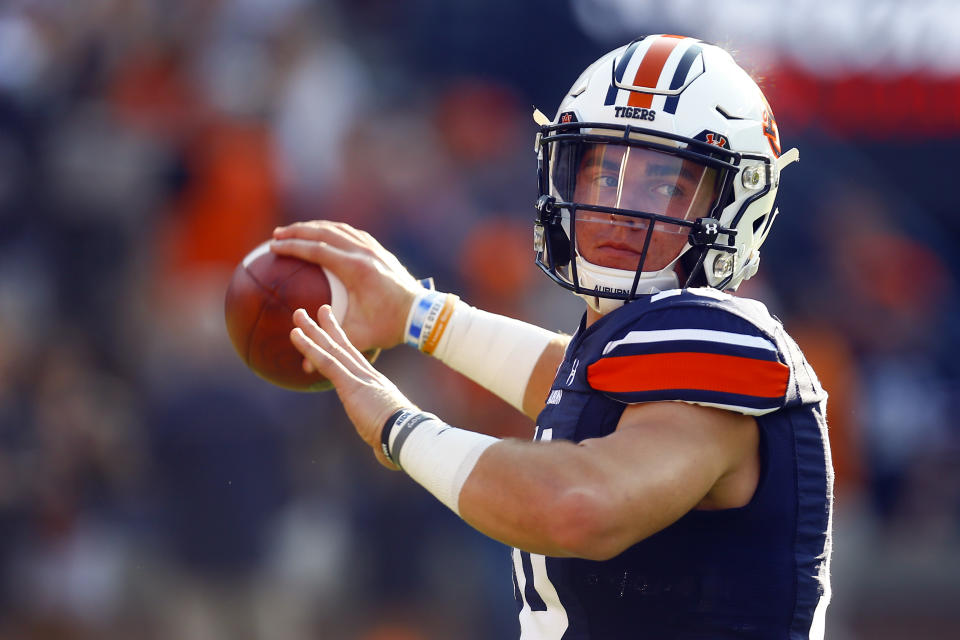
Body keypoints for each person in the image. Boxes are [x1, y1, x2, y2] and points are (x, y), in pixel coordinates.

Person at [270, 34, 832, 640]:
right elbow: (576, 389)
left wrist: (399, 427)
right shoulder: (632, 350)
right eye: (602, 173)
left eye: (665, 185)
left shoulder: (721, 336)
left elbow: (578, 505)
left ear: (738, 204)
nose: (619, 208)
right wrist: (418, 315)